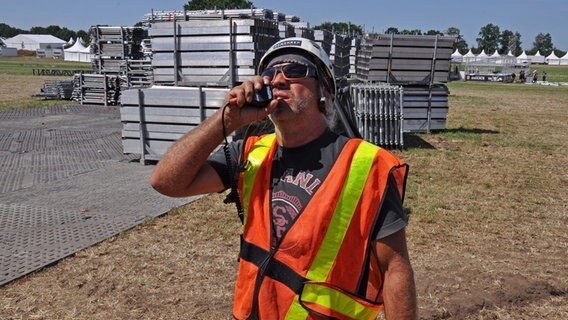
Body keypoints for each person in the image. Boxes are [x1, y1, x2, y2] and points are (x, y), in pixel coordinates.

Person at [150, 37, 417, 320]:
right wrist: (227, 121)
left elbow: (394, 268)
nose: (277, 80)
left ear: (323, 89)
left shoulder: (367, 165)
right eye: (269, 74)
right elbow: (166, 182)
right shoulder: (251, 153)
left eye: (295, 70)